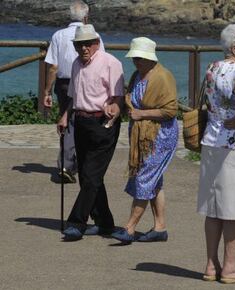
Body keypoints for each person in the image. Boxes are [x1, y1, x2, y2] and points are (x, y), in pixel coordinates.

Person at [196, 23, 235, 284]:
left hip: (212, 141)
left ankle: (211, 265)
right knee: (233, 209)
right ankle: (230, 268)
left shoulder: (213, 68)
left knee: (214, 206)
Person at [58, 24, 124, 241]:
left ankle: (77, 222)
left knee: (92, 176)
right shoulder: (76, 63)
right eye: (79, 44)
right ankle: (104, 222)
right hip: (81, 121)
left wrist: (113, 110)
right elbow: (73, 95)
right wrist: (66, 115)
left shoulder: (111, 62)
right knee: (88, 175)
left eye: (88, 43)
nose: (83, 48)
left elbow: (118, 96)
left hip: (102, 122)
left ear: (96, 43)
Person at [111, 37, 178, 244]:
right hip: (142, 136)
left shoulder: (163, 77)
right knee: (154, 181)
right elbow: (130, 101)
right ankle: (160, 227)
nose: (136, 61)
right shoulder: (136, 75)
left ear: (150, 58)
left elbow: (171, 110)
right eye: (134, 58)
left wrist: (141, 114)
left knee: (144, 179)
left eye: (140, 58)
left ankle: (130, 228)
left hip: (160, 136)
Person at [43, 0, 104, 183]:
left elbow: (53, 67)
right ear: (86, 17)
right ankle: (80, 163)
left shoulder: (58, 35)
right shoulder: (95, 35)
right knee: (87, 118)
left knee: (67, 120)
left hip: (63, 82)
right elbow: (101, 60)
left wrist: (46, 91)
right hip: (88, 80)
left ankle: (67, 164)